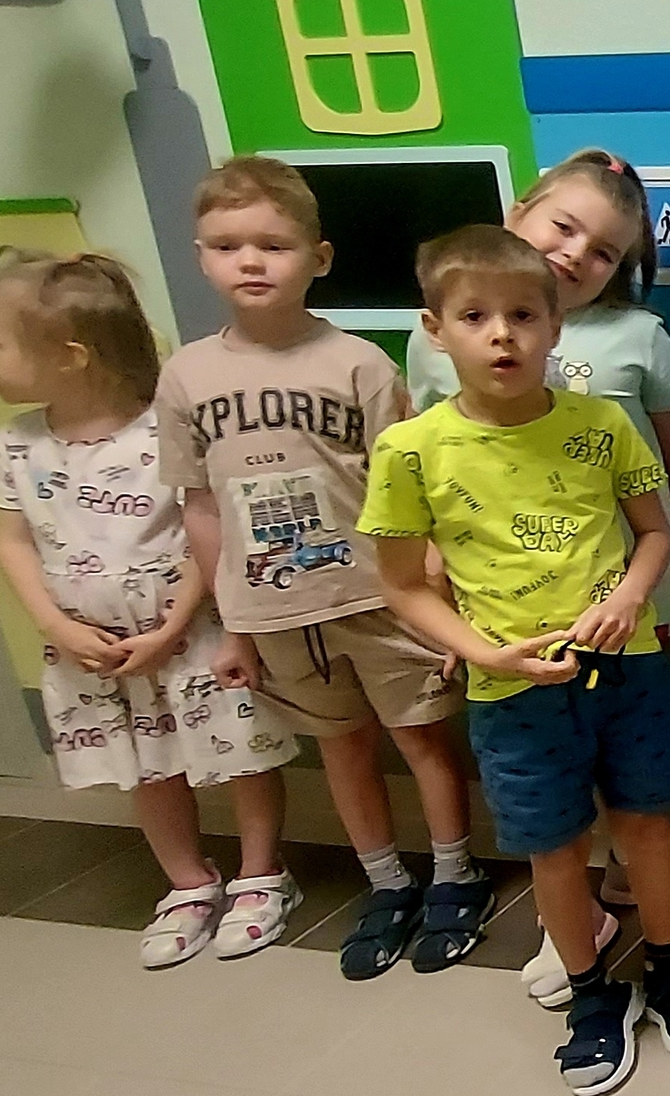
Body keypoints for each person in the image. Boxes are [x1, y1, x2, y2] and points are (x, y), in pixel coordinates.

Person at [360, 225, 670, 1096]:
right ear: (433, 330)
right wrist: (482, 650)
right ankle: (592, 994)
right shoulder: (411, 450)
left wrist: (631, 595)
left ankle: (669, 965)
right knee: (554, 849)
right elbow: (402, 585)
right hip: (513, 689)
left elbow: (652, 533)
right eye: (475, 316)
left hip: (628, 670)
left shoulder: (601, 424)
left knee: (646, 827)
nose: (502, 335)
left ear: (554, 326)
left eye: (524, 315)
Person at [157, 156, 490, 981]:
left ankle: (455, 873)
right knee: (342, 748)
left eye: (273, 244)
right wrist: (231, 624)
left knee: (421, 736)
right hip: (274, 610)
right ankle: (386, 880)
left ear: (320, 256)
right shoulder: (187, 375)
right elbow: (201, 507)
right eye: (227, 245)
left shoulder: (360, 365)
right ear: (201, 257)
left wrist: (437, 593)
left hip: (378, 596)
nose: (251, 261)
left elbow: (411, 489)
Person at [0, 253, 300, 967]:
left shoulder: (166, 428)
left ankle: (261, 873)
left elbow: (206, 530)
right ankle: (187, 882)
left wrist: (172, 625)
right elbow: (12, 540)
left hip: (189, 633)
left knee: (239, 753)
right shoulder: (18, 444)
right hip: (90, 648)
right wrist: (55, 624)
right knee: (145, 766)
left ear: (69, 356)